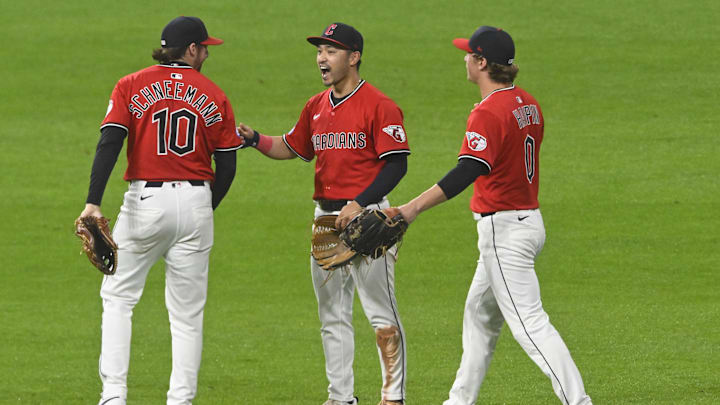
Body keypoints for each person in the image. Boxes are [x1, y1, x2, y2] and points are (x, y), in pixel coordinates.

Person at [393, 26, 593, 405]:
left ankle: (579, 401)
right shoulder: (527, 103)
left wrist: (410, 209)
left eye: (469, 54)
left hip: (505, 232)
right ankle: (459, 400)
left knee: (531, 324)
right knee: (480, 315)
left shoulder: (488, 112)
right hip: (527, 221)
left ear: (482, 63)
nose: (464, 58)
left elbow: (468, 170)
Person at [237, 22, 409, 405]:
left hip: (369, 219)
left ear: (354, 56)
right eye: (319, 51)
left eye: (330, 51)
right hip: (326, 220)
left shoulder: (380, 106)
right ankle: (340, 397)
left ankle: (393, 397)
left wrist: (361, 201)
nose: (321, 59)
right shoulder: (316, 106)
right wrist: (255, 140)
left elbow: (397, 164)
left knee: (381, 313)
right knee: (332, 315)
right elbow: (291, 146)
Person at [77, 16, 242, 405]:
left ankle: (114, 396)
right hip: (198, 200)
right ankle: (180, 400)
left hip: (145, 203)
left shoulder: (131, 84)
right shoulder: (214, 94)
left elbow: (110, 143)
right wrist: (204, 208)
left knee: (119, 297)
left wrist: (93, 201)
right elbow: (229, 166)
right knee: (187, 315)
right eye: (204, 48)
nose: (206, 54)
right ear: (190, 50)